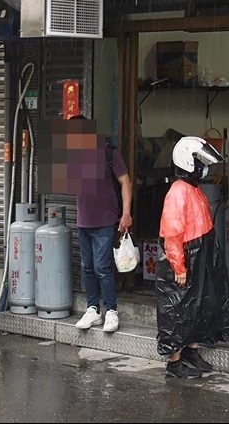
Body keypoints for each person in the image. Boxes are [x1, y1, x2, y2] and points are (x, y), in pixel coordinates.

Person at [155, 135, 229, 378]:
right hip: (187, 255)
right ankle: (174, 363)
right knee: (178, 309)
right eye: (199, 162)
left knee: (199, 304)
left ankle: (191, 351)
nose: (203, 167)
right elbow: (172, 233)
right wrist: (178, 266)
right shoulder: (178, 191)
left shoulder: (193, 189)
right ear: (188, 163)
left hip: (202, 253)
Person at [68, 116, 133, 334]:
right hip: (83, 221)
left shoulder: (108, 153)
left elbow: (125, 182)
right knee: (87, 268)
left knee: (102, 268)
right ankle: (93, 309)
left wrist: (126, 214)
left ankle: (111, 311)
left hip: (105, 221)